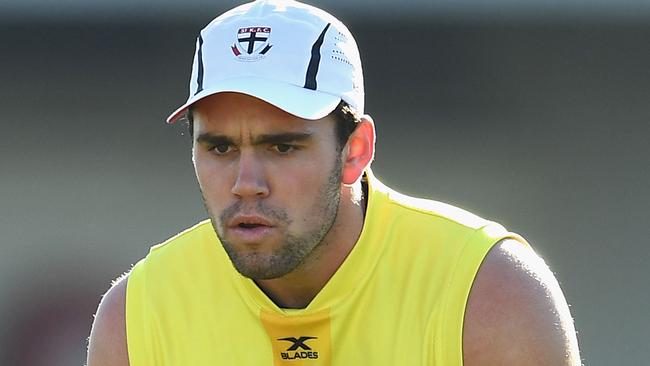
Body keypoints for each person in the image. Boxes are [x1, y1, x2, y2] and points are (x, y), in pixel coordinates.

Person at [87, 1, 581, 365]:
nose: (246, 184)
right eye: (219, 148)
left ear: (356, 151)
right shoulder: (135, 316)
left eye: (283, 147)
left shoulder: (490, 292)